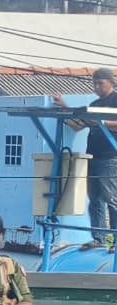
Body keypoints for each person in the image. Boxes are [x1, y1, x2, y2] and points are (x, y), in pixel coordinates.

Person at [53, 69, 117, 250]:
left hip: (110, 157)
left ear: (110, 83)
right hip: (92, 156)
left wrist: (102, 122)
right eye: (95, 83)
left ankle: (115, 239)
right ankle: (99, 238)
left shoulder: (115, 100)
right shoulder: (95, 103)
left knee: (111, 198)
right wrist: (64, 108)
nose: (97, 87)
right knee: (95, 198)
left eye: (100, 83)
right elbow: (78, 125)